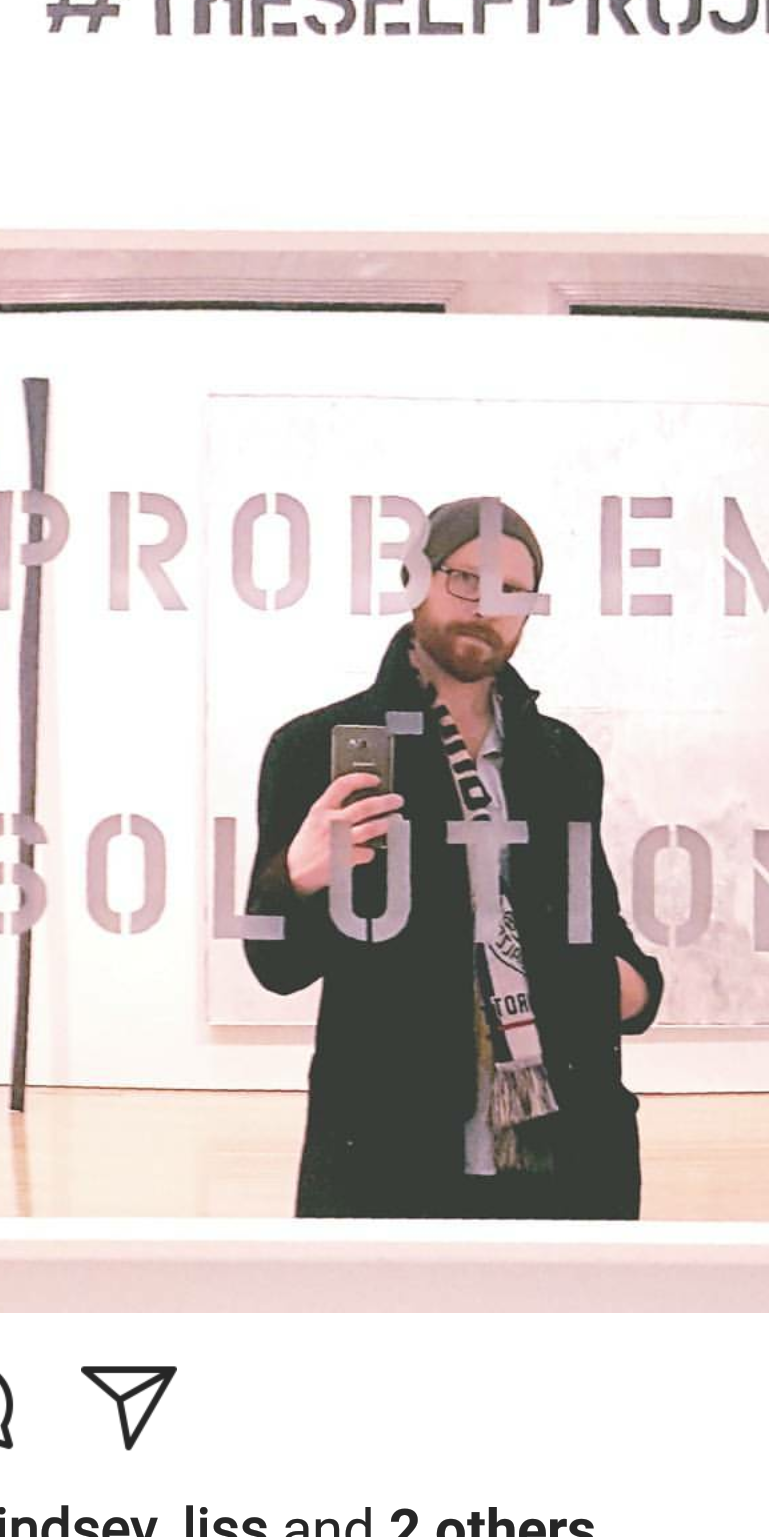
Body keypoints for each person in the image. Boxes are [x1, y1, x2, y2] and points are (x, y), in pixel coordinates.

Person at [244, 498, 663, 1219]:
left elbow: (601, 930)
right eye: (465, 579)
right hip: (389, 1152)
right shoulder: (313, 748)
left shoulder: (561, 760)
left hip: (561, 1150)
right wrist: (296, 878)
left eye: (511, 591)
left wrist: (633, 987)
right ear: (417, 582)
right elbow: (275, 967)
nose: (486, 607)